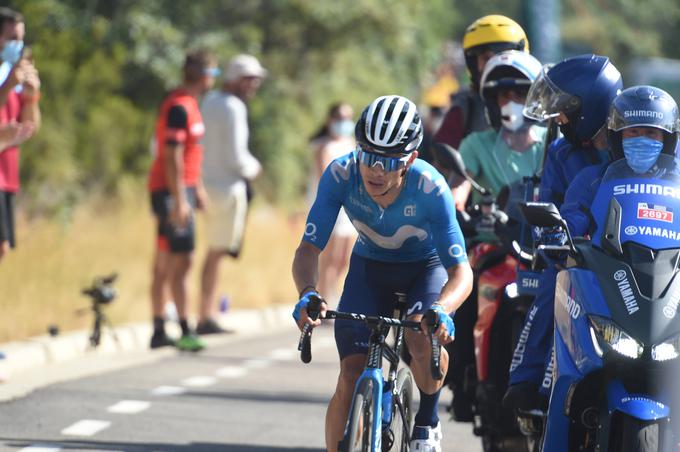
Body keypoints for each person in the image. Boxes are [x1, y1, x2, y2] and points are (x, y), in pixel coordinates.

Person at [292, 95, 473, 452]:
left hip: (426, 268)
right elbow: (309, 249)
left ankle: (427, 421)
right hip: (370, 268)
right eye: (368, 155)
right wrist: (308, 292)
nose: (375, 170)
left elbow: (461, 271)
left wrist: (444, 309)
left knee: (423, 338)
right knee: (348, 375)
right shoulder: (342, 174)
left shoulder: (431, 187)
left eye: (388, 161)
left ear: (410, 160)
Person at [504, 55, 623, 409]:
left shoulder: (636, 145)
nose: (557, 119)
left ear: (589, 106)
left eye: (564, 110)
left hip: (637, 256)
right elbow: (551, 207)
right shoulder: (560, 152)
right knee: (552, 286)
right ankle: (530, 382)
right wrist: (557, 239)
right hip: (579, 257)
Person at [147, 50, 218, 350]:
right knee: (182, 259)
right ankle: (185, 328)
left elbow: (190, 154)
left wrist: (196, 188)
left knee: (167, 260)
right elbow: (172, 154)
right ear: (203, 75)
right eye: (214, 72)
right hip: (170, 190)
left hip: (182, 189)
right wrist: (179, 199)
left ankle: (160, 328)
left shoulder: (189, 104)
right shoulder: (178, 106)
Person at [195, 54, 266, 335]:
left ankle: (205, 312)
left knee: (211, 252)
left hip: (207, 185)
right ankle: (206, 315)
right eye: (250, 79)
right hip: (228, 188)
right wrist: (255, 168)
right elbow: (238, 157)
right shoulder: (234, 107)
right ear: (237, 79)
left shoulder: (209, 101)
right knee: (216, 254)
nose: (254, 85)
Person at [433, 15, 529, 151]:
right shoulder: (465, 108)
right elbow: (443, 162)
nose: (494, 64)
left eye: (500, 56)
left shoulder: (543, 100)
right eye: (484, 58)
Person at [306, 102, 357, 305]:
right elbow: (324, 176)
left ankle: (332, 296)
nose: (345, 123)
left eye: (348, 118)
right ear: (330, 120)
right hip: (331, 205)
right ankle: (322, 300)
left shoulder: (351, 143)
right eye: (340, 118)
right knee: (330, 257)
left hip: (349, 207)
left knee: (344, 258)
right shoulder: (323, 146)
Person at [0, 7, 40, 261]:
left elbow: (31, 127)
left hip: (7, 173)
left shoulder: (14, 72)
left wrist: (31, 95)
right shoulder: (7, 77)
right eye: (12, 37)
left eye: (21, 38)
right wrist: (7, 86)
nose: (18, 44)